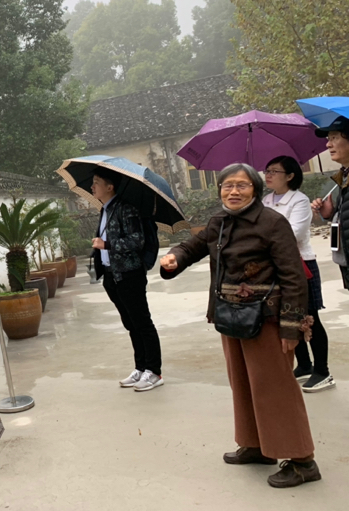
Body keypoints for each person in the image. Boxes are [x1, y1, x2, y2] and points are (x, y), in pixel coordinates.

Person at [160, 163, 319, 488]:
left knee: (274, 388)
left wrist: (291, 326)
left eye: (242, 185)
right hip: (230, 315)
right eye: (227, 185)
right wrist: (175, 257)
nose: (233, 191)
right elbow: (193, 245)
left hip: (267, 318)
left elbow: (293, 277)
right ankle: (257, 445)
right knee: (243, 383)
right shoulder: (218, 222)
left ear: (255, 191)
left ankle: (303, 460)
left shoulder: (272, 223)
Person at [264, 156, 334, 392]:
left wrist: (264, 239)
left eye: (274, 171)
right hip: (276, 265)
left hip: (301, 264)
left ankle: (322, 371)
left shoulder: (299, 200)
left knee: (309, 317)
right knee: (288, 316)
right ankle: (304, 364)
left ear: (290, 175)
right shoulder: (265, 201)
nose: (268, 175)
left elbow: (294, 233)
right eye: (267, 170)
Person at [90, 167, 163, 392]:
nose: (92, 186)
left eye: (96, 182)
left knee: (142, 323)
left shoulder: (126, 209)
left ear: (110, 187)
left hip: (130, 274)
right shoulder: (105, 210)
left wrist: (106, 244)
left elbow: (137, 240)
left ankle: (154, 371)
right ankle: (140, 367)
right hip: (112, 275)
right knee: (130, 324)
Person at [312, 116, 349, 287]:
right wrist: (332, 214)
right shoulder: (344, 177)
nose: (328, 144)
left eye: (334, 138)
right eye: (328, 139)